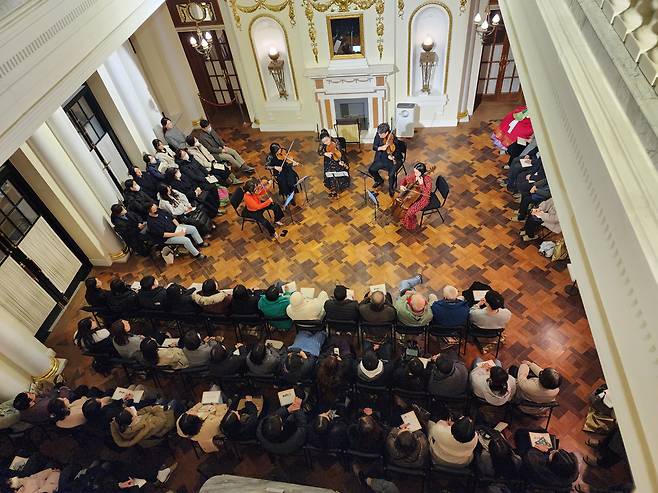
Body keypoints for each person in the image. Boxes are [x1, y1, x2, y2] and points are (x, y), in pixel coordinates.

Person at [111, 403, 176, 448]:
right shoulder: (148, 424)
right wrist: (157, 408)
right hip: (162, 426)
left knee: (160, 401)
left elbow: (143, 411)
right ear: (133, 418)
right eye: (130, 409)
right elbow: (162, 420)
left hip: (147, 436)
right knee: (174, 403)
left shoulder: (119, 425)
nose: (130, 407)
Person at [395, 162, 433, 231]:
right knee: (404, 204)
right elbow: (405, 179)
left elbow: (427, 194)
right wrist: (402, 185)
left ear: (422, 172)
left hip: (423, 199)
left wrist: (421, 183)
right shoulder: (415, 175)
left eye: (416, 172)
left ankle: (411, 224)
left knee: (409, 212)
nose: (415, 174)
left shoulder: (428, 180)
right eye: (414, 171)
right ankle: (405, 217)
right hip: (414, 196)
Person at [369, 122, 403, 195]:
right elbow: (374, 147)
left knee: (391, 175)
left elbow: (398, 152)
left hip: (393, 160)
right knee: (371, 170)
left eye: (381, 134)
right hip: (381, 158)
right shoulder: (378, 134)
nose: (379, 135)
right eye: (378, 133)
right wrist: (380, 148)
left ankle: (391, 188)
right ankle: (379, 180)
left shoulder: (394, 139)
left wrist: (393, 156)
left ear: (387, 132)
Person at [318, 129, 349, 197]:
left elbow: (340, 153)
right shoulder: (322, 143)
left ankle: (340, 187)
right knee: (330, 173)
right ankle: (333, 189)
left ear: (329, 137)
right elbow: (319, 152)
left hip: (338, 158)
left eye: (327, 140)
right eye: (324, 142)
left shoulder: (336, 141)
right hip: (328, 159)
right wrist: (325, 153)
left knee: (338, 173)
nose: (326, 143)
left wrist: (340, 161)